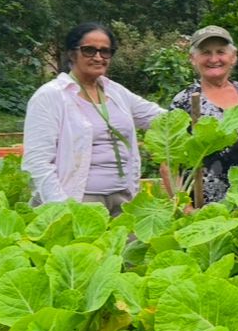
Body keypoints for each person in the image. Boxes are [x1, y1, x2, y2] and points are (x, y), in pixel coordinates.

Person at [22, 22, 164, 214]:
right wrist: (63, 209)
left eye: (105, 51)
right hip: (78, 200)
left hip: (123, 198)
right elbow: (37, 162)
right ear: (72, 54)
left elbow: (160, 118)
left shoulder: (115, 92)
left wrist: (207, 106)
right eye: (89, 50)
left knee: (131, 244)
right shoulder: (51, 96)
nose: (98, 57)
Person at [165, 25, 238, 205]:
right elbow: (168, 163)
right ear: (193, 58)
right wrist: (184, 208)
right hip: (202, 210)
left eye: (221, 52)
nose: (214, 59)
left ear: (233, 57)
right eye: (206, 52)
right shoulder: (184, 101)